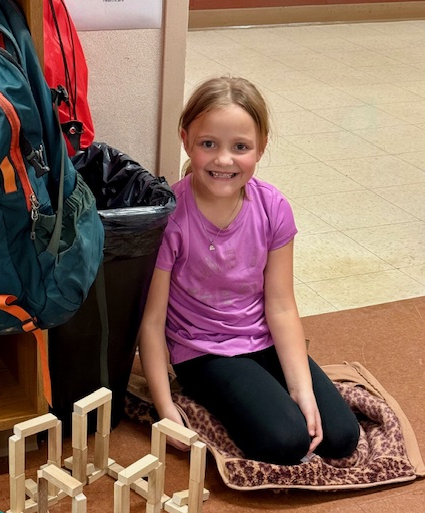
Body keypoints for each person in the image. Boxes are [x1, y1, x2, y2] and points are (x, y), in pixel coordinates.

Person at [138, 76, 360, 465]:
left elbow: (281, 306)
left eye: (240, 147)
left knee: (341, 437)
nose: (224, 160)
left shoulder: (274, 208)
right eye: (209, 144)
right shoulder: (170, 216)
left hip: (264, 339)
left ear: (261, 148)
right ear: (186, 140)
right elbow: (152, 321)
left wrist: (302, 389)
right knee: (286, 442)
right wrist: (165, 407)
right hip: (203, 351)